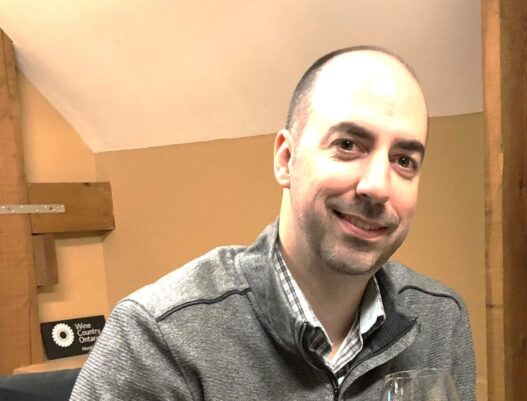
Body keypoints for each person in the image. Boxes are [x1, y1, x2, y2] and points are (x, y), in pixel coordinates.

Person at [71, 46, 476, 401]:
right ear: (286, 159)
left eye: (404, 160)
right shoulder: (157, 338)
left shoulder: (441, 319)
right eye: (348, 145)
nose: (377, 186)